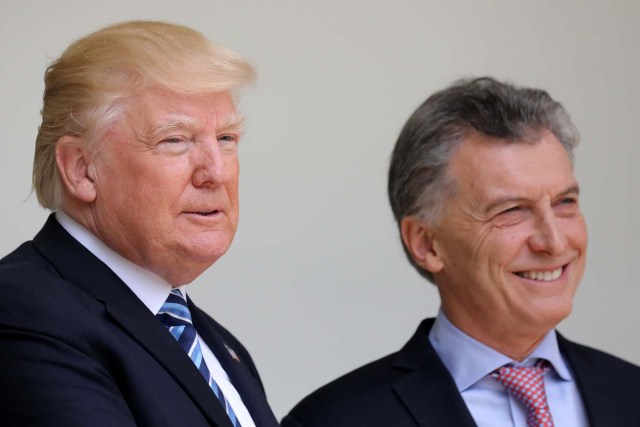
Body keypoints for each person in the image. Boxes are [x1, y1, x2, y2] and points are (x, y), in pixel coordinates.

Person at [282, 77, 640, 427]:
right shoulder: (333, 420)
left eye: (565, 202)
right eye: (511, 210)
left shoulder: (631, 393)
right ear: (426, 243)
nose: (555, 242)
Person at [0, 21, 278, 427]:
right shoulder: (24, 313)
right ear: (82, 170)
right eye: (175, 140)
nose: (215, 172)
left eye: (226, 139)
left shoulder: (218, 346)